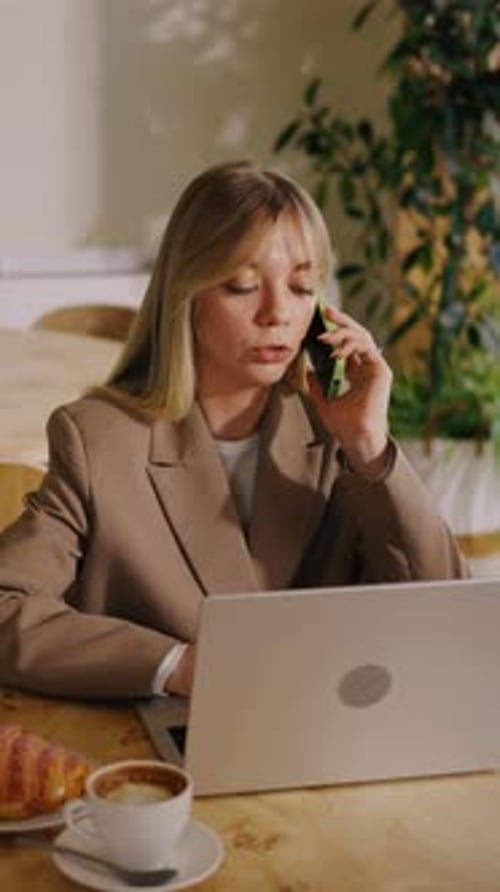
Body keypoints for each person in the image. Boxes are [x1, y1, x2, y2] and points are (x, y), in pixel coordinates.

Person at [0, 160, 467, 701]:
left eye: (300, 287)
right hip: (166, 754)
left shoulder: (337, 433)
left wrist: (370, 450)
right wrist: (174, 665)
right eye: (242, 286)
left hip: (321, 733)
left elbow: (445, 614)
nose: (277, 313)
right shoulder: (98, 440)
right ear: (186, 295)